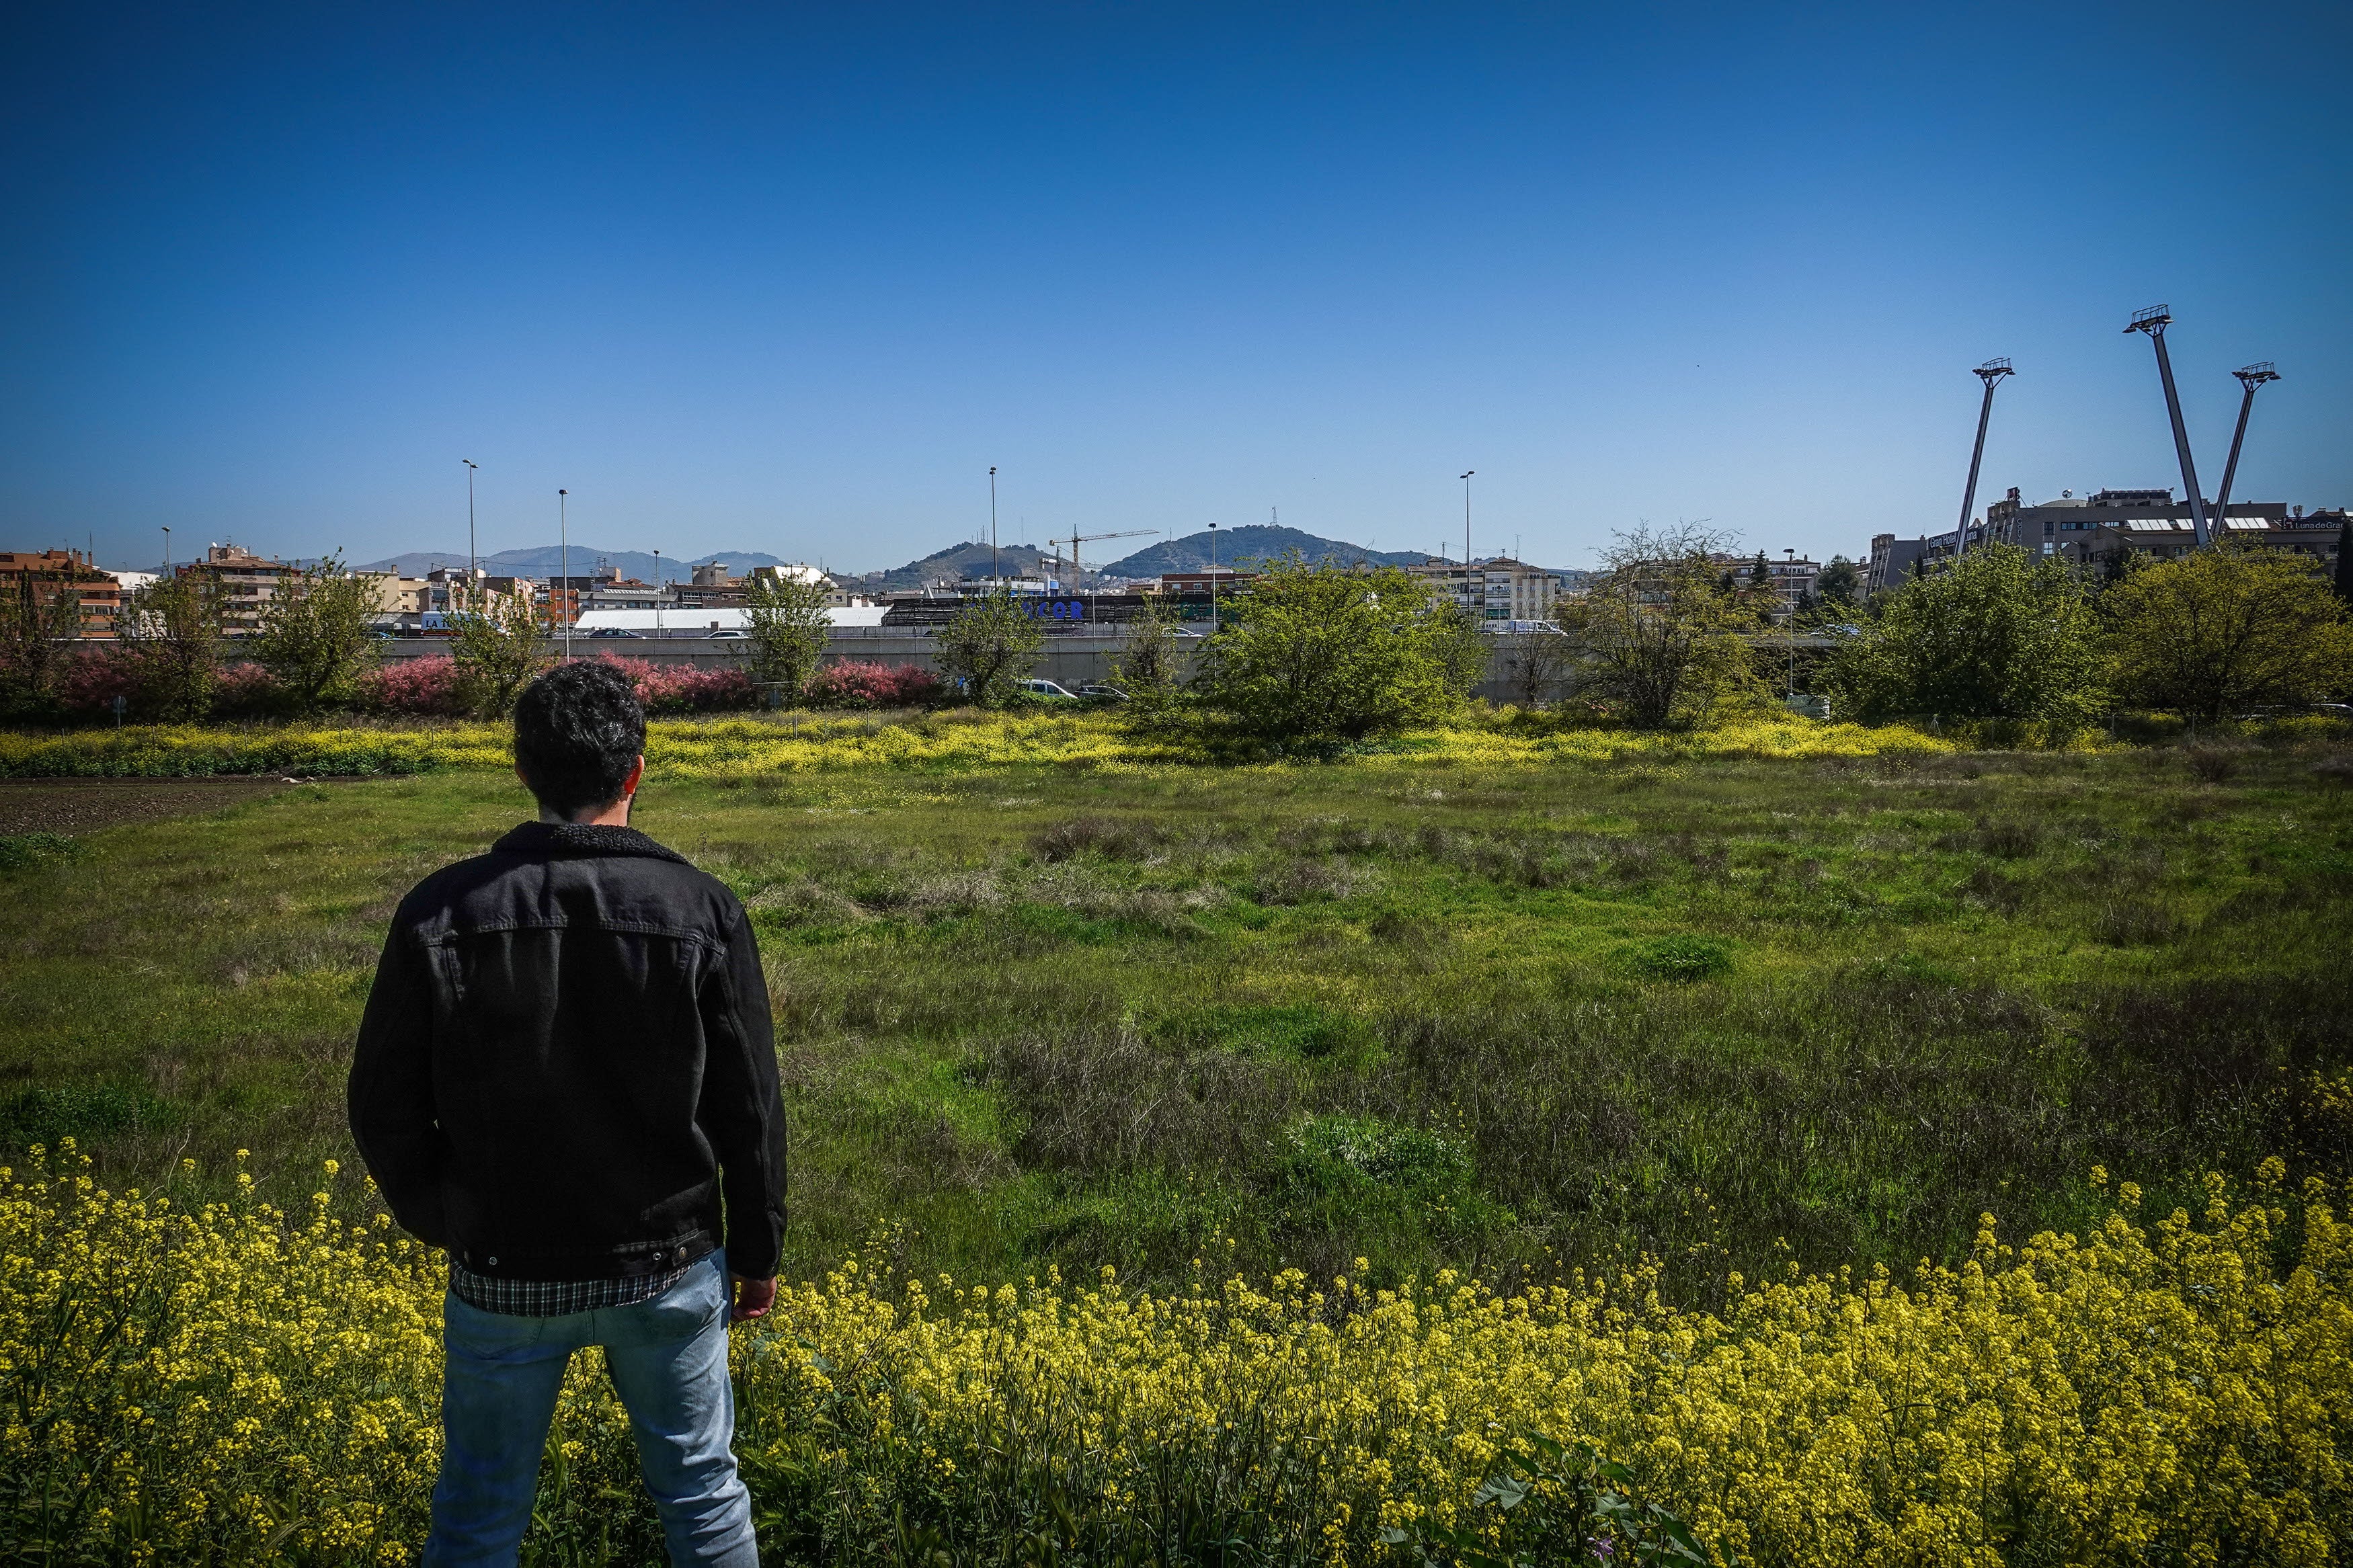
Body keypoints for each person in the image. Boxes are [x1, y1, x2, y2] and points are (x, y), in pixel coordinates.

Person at [349, 661, 783, 1567]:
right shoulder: (703, 908)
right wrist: (758, 1254)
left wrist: (451, 1217)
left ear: (522, 771)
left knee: (476, 1513)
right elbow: (749, 1106)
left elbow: (381, 1102)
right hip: (666, 1266)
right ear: (636, 772)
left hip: (503, 1266)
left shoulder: (439, 911)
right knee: (703, 1497)